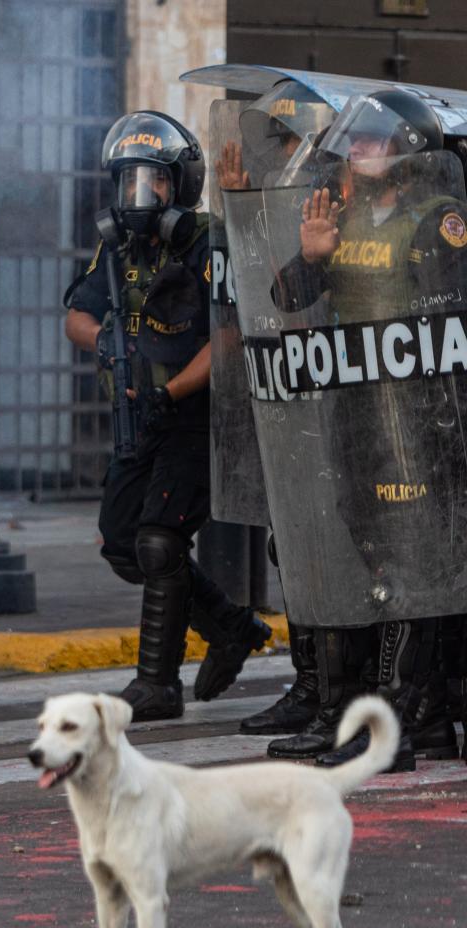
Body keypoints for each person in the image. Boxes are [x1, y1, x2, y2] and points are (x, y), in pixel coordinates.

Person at [260, 90, 467, 769]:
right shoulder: (340, 218)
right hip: (352, 419)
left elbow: (448, 329)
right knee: (370, 562)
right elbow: (286, 300)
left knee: (414, 567)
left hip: (414, 423)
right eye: (357, 142)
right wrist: (311, 256)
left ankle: (402, 720)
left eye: (374, 143)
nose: (359, 152)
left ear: (407, 152)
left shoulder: (438, 220)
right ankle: (402, 717)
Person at [63, 110, 271, 723]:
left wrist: (171, 391)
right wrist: (104, 340)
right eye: (128, 182)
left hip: (196, 416)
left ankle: (157, 685)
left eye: (151, 182)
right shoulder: (115, 247)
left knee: (160, 540)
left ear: (179, 184)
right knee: (124, 545)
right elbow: (76, 314)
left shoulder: (208, 241)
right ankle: (231, 628)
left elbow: (229, 336)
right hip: (139, 415)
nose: (139, 196)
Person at [210, 80, 337, 740]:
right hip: (288, 380)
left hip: (334, 388)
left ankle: (336, 689)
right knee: (293, 543)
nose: (264, 145)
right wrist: (236, 206)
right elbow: (261, 280)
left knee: (326, 544)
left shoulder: (331, 182)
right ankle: (312, 683)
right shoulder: (272, 183)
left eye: (277, 133)